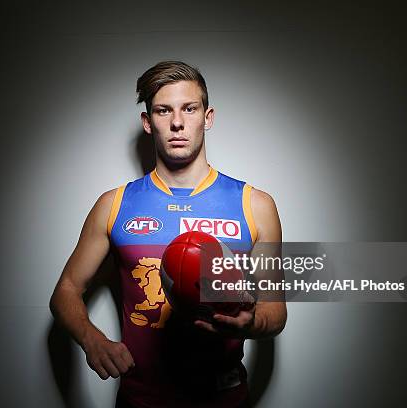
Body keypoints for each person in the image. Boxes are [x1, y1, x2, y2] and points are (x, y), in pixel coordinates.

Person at [49, 61, 286, 408]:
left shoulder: (256, 205)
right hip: (141, 400)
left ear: (208, 117)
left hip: (223, 400)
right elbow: (66, 290)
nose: (177, 122)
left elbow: (275, 311)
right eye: (163, 110)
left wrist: (250, 324)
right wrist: (92, 339)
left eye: (189, 108)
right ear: (148, 123)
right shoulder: (114, 205)